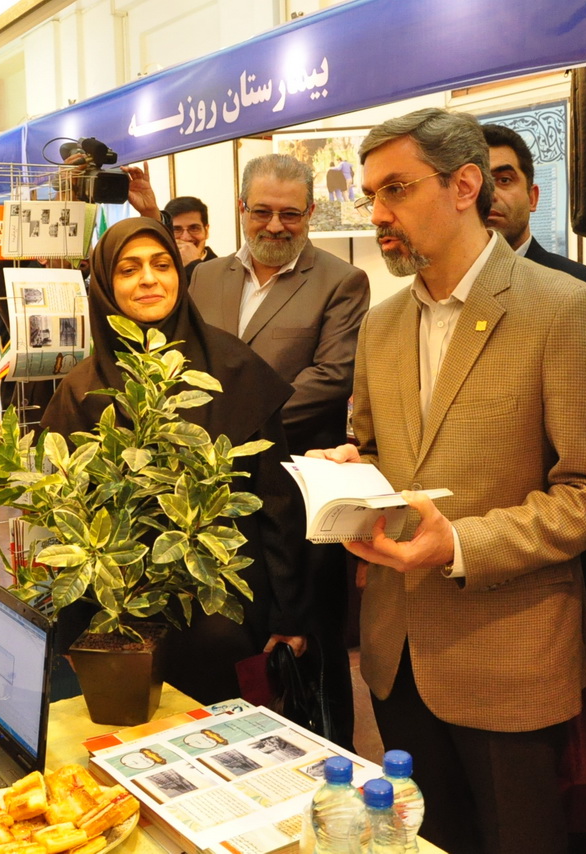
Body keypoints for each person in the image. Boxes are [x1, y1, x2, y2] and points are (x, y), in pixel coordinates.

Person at [311, 108, 586, 854]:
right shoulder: (381, 325)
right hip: (396, 660)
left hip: (509, 660)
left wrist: (459, 544)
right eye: (370, 195)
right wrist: (356, 470)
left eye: (396, 190)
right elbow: (386, 451)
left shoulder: (564, 310)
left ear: (464, 186)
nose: (377, 215)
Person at [39, 217, 310, 704]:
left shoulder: (234, 368)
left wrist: (289, 614)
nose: (148, 279)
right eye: (129, 269)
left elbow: (278, 502)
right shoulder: (81, 393)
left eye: (162, 265)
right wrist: (75, 629)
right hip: (123, 624)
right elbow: (68, 524)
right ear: (105, 285)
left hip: (226, 614)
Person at [188, 153, 371, 747]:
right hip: (211, 495)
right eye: (262, 211)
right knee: (233, 635)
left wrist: (231, 423)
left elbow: (333, 375)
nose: (275, 226)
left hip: (296, 493)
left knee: (309, 643)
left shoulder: (341, 281)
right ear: (241, 208)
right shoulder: (204, 278)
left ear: (311, 212)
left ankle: (329, 756)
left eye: (290, 214)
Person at [481, 123, 586, 460]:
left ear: (533, 197)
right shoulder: (436, 299)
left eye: (504, 180)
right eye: (477, 183)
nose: (490, 195)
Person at [164, 195, 217, 277]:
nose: (185, 238)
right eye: (176, 229)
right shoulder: (159, 267)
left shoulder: (224, 270)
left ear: (206, 231)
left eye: (194, 228)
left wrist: (193, 264)